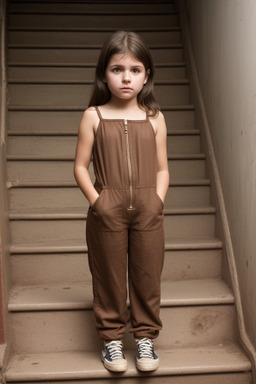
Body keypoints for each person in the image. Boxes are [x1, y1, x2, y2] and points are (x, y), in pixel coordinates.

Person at [74, 31, 169, 373]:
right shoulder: (94, 116)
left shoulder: (154, 118)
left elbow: (162, 168)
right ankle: (112, 340)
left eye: (135, 69)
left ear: (146, 76)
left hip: (148, 209)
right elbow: (80, 166)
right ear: (103, 74)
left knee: (147, 275)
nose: (126, 77)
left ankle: (145, 339)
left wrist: (156, 200)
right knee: (109, 275)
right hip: (107, 209)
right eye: (117, 69)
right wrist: (98, 202)